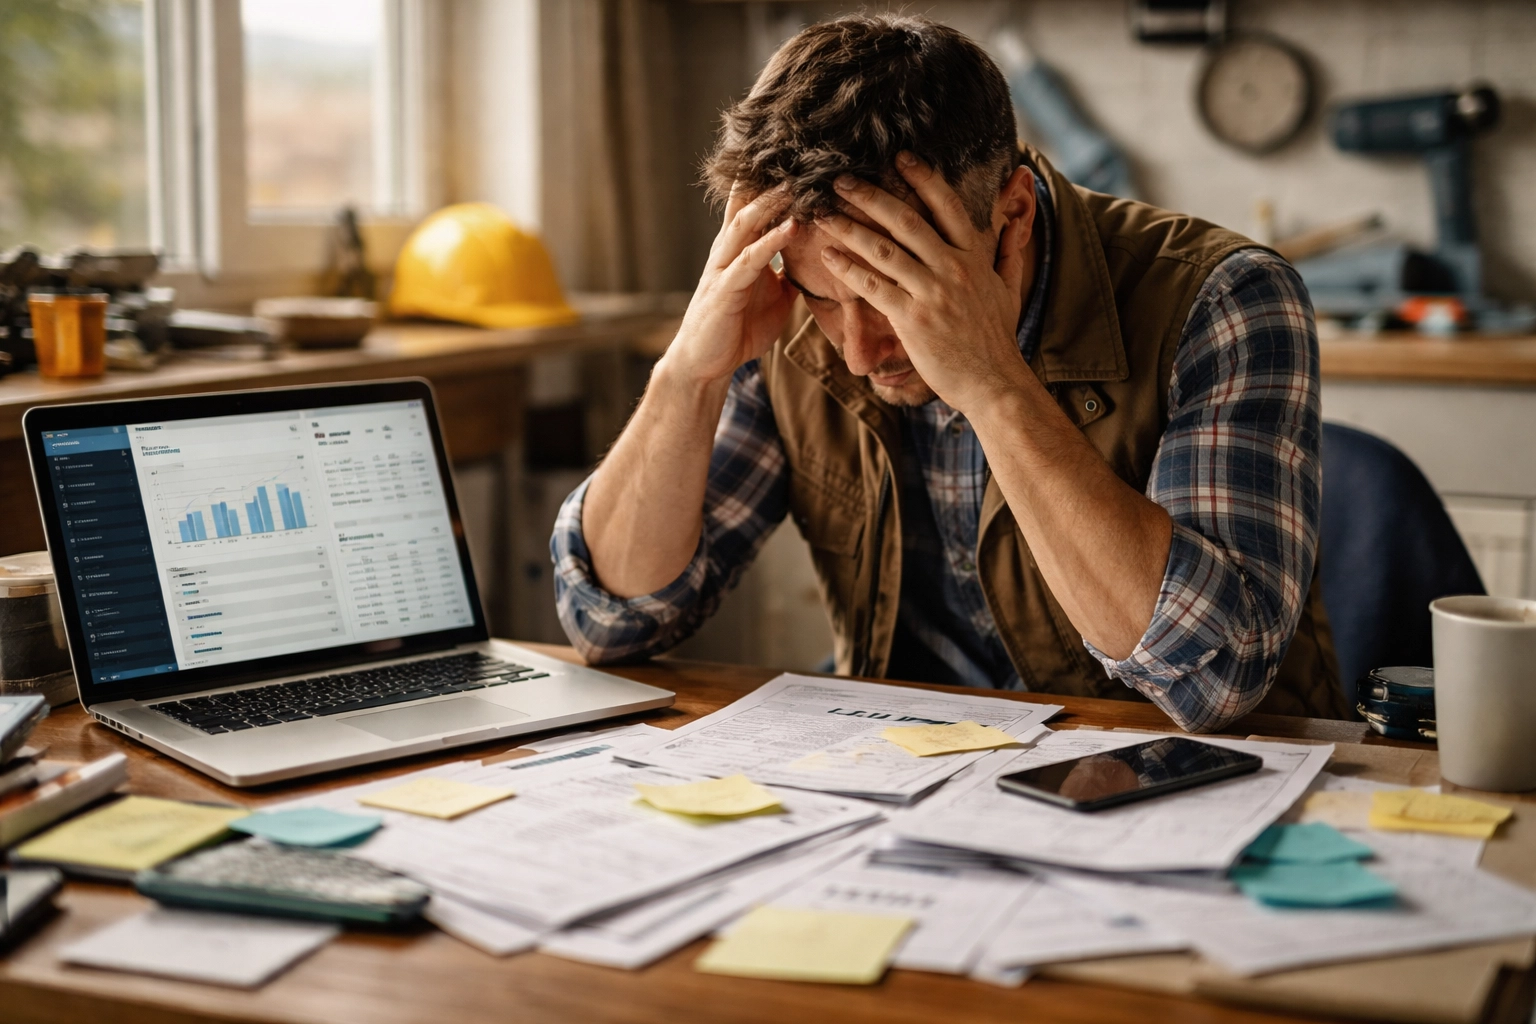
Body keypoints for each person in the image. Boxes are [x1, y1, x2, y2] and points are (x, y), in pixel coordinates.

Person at [551, 14, 1348, 733]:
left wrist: (993, 382)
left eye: (898, 295)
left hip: (1193, 793)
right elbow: (610, 622)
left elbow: (1214, 680)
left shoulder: (1226, 296)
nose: (859, 353)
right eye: (826, 298)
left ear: (1013, 214)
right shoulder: (782, 310)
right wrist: (690, 370)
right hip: (914, 779)